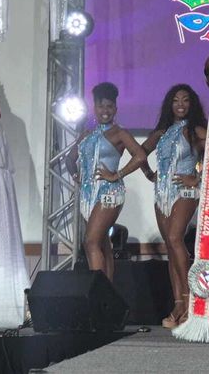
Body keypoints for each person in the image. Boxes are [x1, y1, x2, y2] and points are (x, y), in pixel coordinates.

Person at [140, 84, 206, 328]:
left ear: (192, 104)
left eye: (185, 100)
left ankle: (190, 302)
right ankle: (178, 304)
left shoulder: (195, 129)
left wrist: (196, 178)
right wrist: (149, 173)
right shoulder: (162, 132)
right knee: (170, 243)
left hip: (186, 191)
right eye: (176, 100)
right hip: (162, 193)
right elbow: (139, 152)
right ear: (169, 104)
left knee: (176, 238)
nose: (180, 104)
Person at [66, 83, 147, 281]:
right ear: (94, 108)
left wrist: (116, 175)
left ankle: (99, 292)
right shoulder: (87, 135)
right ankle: (108, 292)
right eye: (101, 106)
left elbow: (140, 156)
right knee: (102, 244)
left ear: (115, 109)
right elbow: (70, 159)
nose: (105, 110)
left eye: (110, 106)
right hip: (89, 195)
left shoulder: (120, 133)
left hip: (109, 193)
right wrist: (77, 176)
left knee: (90, 242)